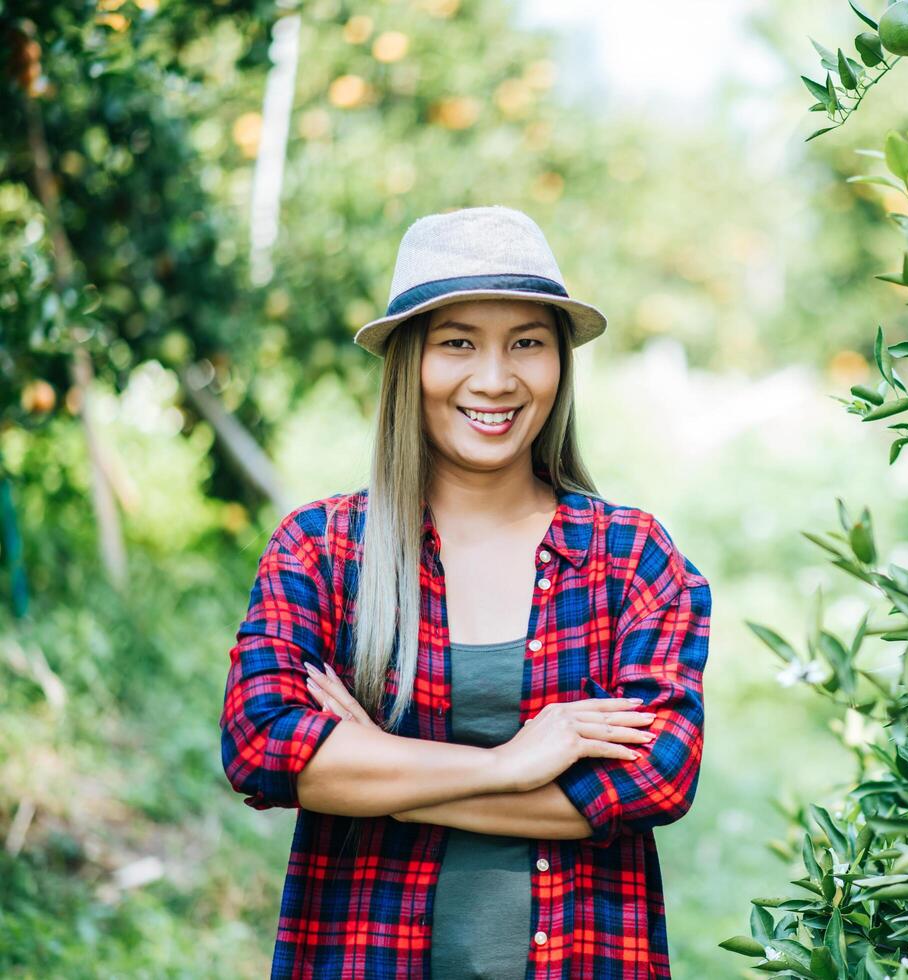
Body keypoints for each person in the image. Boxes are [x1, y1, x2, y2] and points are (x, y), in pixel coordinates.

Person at [219, 205, 713, 979]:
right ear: (409, 362)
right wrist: (512, 765)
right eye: (457, 343)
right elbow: (262, 747)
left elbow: (653, 777)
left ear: (559, 363)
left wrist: (382, 775)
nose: (494, 378)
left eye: (527, 343)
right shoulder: (322, 549)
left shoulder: (630, 560)